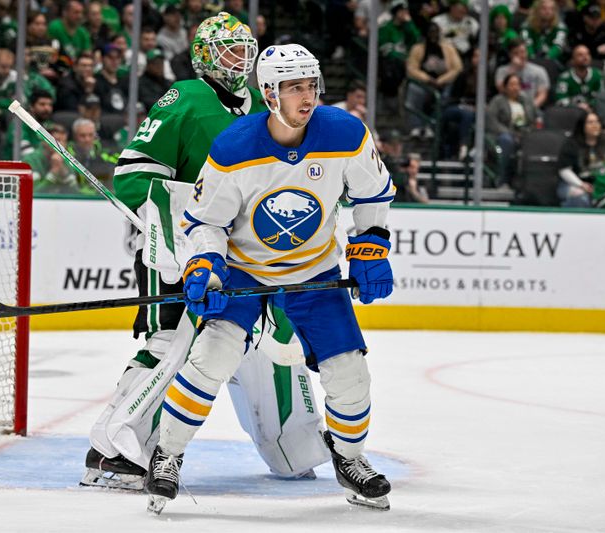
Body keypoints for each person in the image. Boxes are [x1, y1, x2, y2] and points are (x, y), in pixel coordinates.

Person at [144, 43, 394, 513]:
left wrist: (370, 247)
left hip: (314, 272)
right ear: (269, 93)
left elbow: (374, 193)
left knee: (350, 374)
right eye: (294, 87)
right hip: (244, 271)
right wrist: (205, 265)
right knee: (209, 360)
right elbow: (205, 222)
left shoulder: (345, 133)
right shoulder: (235, 146)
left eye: (311, 85)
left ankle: (349, 457)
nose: (307, 97)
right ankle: (167, 455)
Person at [84, 12, 305, 490]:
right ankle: (113, 452)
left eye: (245, 47)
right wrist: (183, 218)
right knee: (171, 343)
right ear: (204, 56)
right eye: (228, 49)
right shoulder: (182, 98)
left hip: (245, 256)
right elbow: (133, 176)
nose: (241, 57)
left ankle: (293, 443)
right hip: (176, 245)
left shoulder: (262, 106)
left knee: (252, 344)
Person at [487, 73, 536, 188]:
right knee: (506, 141)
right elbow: (492, 122)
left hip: (524, 135)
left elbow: (534, 117)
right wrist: (509, 133)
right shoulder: (497, 101)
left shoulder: (526, 101)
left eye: (518, 84)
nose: (515, 87)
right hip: (501, 137)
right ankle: (502, 178)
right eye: (512, 84)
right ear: (505, 87)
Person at [556, 111, 605, 207]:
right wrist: (581, 184)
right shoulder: (571, 145)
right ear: (582, 126)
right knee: (580, 196)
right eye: (590, 122)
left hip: (602, 184)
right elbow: (564, 170)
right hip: (574, 183)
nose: (595, 125)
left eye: (597, 122)